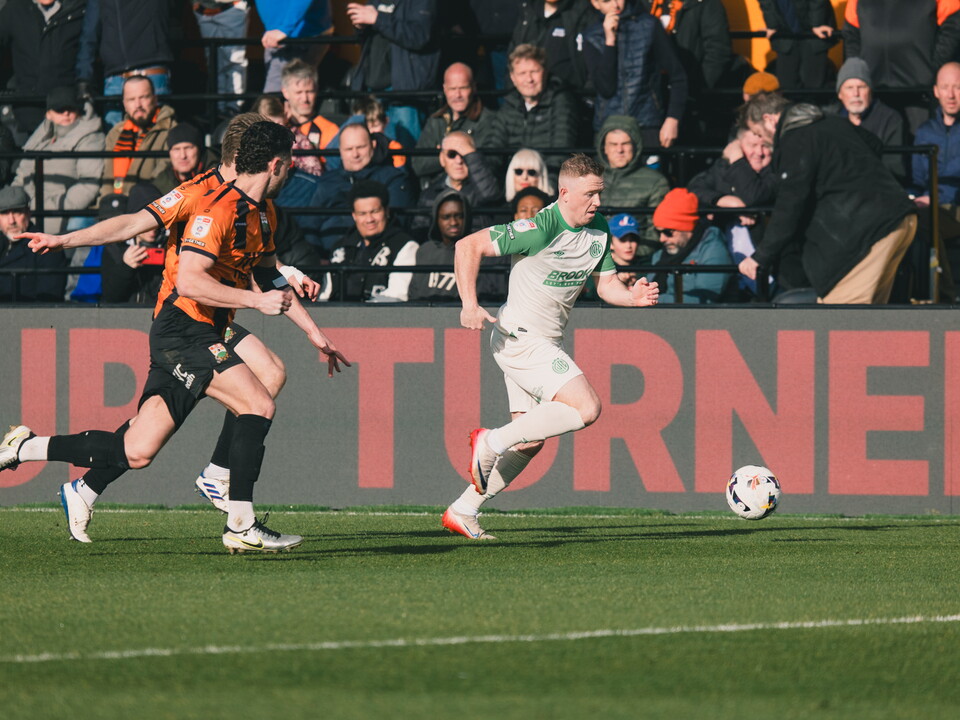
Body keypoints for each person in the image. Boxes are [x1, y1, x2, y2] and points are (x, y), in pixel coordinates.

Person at [4, 122, 350, 553]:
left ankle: (34, 452)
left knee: (138, 448)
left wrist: (316, 335)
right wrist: (65, 239)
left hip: (212, 323)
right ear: (266, 161)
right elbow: (158, 248)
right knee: (258, 401)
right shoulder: (205, 199)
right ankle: (239, 518)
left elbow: (268, 277)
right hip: (184, 323)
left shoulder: (264, 211)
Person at [441, 153, 659, 540]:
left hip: (542, 340)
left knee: (532, 441)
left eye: (599, 193)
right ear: (564, 193)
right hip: (521, 338)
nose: (597, 201)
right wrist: (469, 305)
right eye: (590, 194)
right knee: (588, 407)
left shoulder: (599, 228)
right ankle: (488, 441)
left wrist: (633, 298)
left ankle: (463, 510)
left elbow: (606, 285)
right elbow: (466, 247)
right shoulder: (539, 227)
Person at [739, 92, 918, 305]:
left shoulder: (796, 138)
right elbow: (874, 143)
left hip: (868, 232)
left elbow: (790, 205)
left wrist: (761, 256)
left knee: (837, 322)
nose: (766, 142)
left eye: (760, 133)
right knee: (871, 321)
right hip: (899, 219)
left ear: (769, 120)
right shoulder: (830, 121)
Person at [582, 0, 688, 151]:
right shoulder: (591, 35)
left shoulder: (649, 26)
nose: (615, 5)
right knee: (608, 175)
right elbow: (605, 88)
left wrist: (673, 119)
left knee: (652, 174)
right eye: (606, 1)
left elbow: (678, 75)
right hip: (609, 126)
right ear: (595, 3)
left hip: (648, 124)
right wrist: (610, 41)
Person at [843, 0, 960, 134]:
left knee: (920, 147)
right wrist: (859, 74)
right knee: (878, 148)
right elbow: (851, 34)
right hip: (874, 90)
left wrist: (933, 68)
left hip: (921, 91)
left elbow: (953, 24)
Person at [302, 123, 415, 253]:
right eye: (349, 149)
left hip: (377, 256)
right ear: (340, 150)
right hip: (328, 258)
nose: (355, 154)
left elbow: (398, 224)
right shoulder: (327, 182)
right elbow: (310, 225)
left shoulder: (393, 179)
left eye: (360, 147)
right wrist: (317, 257)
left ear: (373, 145)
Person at [12, 86, 105, 234]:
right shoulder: (40, 137)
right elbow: (22, 176)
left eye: (71, 108)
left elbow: (88, 185)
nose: (66, 113)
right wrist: (15, 206)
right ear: (49, 114)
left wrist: (53, 208)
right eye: (59, 110)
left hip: (60, 215)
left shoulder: (90, 137)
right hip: (27, 211)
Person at [346, 0, 441, 143]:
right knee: (369, 149)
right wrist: (361, 27)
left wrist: (377, 19)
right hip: (372, 88)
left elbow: (419, 36)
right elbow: (367, 37)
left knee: (404, 151)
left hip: (404, 92)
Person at [75, 0, 175, 128]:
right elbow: (89, 34)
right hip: (117, 77)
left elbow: (89, 35)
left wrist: (84, 77)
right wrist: (84, 78)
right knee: (115, 139)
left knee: (157, 138)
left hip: (151, 70)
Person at [320, 181, 419, 302]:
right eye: (362, 213)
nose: (369, 219)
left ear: (386, 211)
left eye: (375, 212)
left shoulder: (405, 246)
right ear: (354, 216)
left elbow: (397, 297)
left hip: (381, 318)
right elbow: (325, 295)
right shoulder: (340, 247)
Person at [489, 44, 582, 172]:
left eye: (534, 71)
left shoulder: (562, 102)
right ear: (513, 77)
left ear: (545, 72)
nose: (529, 79)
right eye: (522, 73)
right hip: (513, 181)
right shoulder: (509, 105)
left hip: (547, 181)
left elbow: (561, 154)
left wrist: (546, 187)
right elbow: (493, 152)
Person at [0, 0, 87, 138]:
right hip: (27, 111)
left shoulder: (79, 8)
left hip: (68, 110)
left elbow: (91, 53)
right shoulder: (14, 10)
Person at [913, 61, 960, 300]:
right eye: (945, 87)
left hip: (957, 205)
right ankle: (945, 295)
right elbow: (918, 177)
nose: (951, 95)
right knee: (921, 218)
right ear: (936, 91)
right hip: (934, 206)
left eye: (958, 87)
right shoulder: (924, 132)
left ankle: (947, 293)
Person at [645, 188, 734, 303]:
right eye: (658, 232)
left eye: (668, 232)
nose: (662, 238)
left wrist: (652, 300)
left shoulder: (713, 250)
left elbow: (704, 299)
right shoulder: (663, 254)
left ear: (686, 228)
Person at [595, 114, 669, 253]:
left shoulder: (656, 182)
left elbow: (655, 234)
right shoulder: (589, 177)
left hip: (634, 262)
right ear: (603, 147)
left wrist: (628, 257)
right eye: (613, 144)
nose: (619, 150)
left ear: (635, 146)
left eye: (625, 144)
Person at [413, 62, 498, 181]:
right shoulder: (436, 121)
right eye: (452, 89)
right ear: (445, 89)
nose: (457, 95)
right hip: (437, 192)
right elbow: (417, 165)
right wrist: (459, 152)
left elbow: (490, 164)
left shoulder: (489, 121)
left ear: (473, 87)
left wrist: (443, 154)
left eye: (463, 88)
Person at [99, 76, 177, 201]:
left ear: (155, 99)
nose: (138, 105)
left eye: (143, 97)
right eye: (131, 99)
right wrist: (106, 205)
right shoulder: (115, 133)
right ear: (124, 104)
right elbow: (108, 177)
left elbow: (161, 177)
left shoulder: (171, 130)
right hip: (115, 204)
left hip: (148, 206)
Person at [830, 57, 907, 182]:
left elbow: (894, 168)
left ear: (870, 90)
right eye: (849, 88)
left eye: (861, 87)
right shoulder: (831, 121)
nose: (856, 94)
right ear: (840, 94)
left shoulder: (890, 119)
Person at [413, 132, 500, 234]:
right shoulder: (429, 194)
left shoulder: (483, 187)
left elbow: (490, 195)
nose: (459, 160)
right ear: (442, 159)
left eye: (464, 155)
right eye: (452, 154)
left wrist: (471, 155)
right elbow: (419, 232)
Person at [99, 184, 165, 304]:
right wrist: (125, 267)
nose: (153, 228)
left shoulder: (172, 245)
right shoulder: (116, 248)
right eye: (147, 222)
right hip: (127, 316)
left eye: (157, 220)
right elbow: (111, 297)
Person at [509, 0, 595, 91]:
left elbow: (596, 64)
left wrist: (588, 97)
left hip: (571, 96)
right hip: (530, 97)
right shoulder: (527, 13)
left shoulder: (584, 14)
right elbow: (512, 61)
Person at [0, 186, 67, 302]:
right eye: (4, 213)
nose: (11, 221)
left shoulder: (47, 249)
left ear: (28, 213)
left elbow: (48, 299)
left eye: (17, 212)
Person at [758, 0, 837, 91]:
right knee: (787, 84)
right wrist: (772, 25)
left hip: (813, 34)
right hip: (785, 31)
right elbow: (766, 2)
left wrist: (817, 24)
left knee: (813, 83)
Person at [256, 0, 334, 93]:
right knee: (288, 93)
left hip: (300, 36)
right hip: (278, 37)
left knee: (284, 94)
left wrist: (284, 29)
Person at [409, 190, 469, 301]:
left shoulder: (477, 253)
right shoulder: (424, 251)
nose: (453, 222)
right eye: (446, 217)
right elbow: (414, 293)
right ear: (436, 219)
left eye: (459, 216)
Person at [193, 0, 250, 118]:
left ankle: (233, 108)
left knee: (234, 60)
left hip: (232, 7)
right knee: (213, 62)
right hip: (203, 9)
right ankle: (218, 108)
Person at [153, 123, 216, 195]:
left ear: (199, 149)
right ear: (170, 153)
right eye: (176, 149)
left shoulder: (217, 177)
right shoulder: (161, 182)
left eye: (188, 148)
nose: (183, 156)